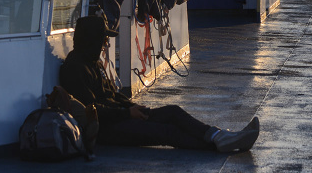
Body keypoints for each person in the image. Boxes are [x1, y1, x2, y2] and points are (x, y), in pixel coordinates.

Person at [59, 16, 260, 153]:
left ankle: (219, 135)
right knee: (167, 132)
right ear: (92, 40)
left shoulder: (92, 62)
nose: (107, 43)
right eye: (104, 39)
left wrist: (131, 107)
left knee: (172, 112)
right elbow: (91, 111)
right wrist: (127, 114)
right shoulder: (75, 69)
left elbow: (112, 95)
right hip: (106, 129)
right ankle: (221, 144)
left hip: (120, 115)